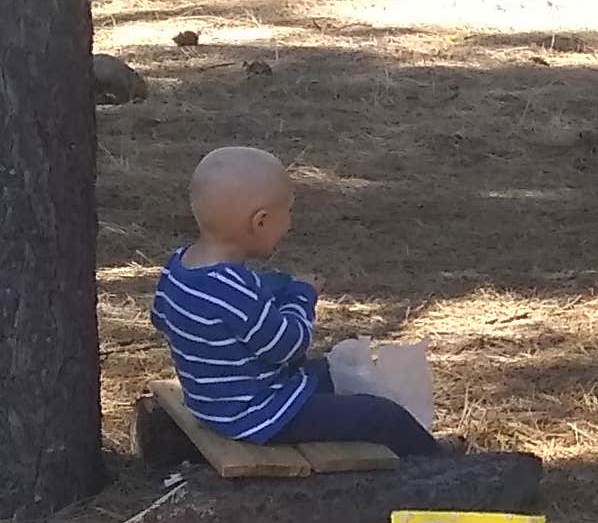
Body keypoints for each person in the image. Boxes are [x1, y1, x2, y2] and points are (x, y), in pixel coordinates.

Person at [149, 145, 430, 452]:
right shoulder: (235, 289)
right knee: (382, 417)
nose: (290, 223)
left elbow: (161, 317)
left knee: (333, 371)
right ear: (260, 221)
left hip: (212, 403)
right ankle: (441, 465)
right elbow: (289, 346)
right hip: (261, 414)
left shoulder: (178, 266)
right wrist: (302, 296)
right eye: (288, 213)